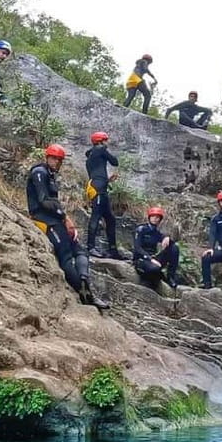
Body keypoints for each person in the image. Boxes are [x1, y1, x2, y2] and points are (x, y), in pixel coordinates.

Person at [27, 144, 110, 310]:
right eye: (54, 158)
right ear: (47, 157)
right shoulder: (39, 172)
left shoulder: (50, 175)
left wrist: (65, 218)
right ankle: (84, 292)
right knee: (65, 256)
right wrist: (64, 217)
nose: (56, 162)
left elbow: (54, 203)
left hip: (55, 219)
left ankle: (84, 280)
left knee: (80, 250)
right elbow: (43, 201)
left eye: (59, 160)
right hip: (44, 220)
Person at [85, 131, 125, 260]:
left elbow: (97, 174)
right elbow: (115, 162)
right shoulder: (100, 149)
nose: (107, 143)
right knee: (96, 216)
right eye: (105, 140)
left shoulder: (91, 154)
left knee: (110, 219)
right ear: (100, 141)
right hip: (98, 189)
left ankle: (112, 250)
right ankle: (90, 247)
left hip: (98, 187)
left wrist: (108, 180)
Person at [133, 206, 180, 290]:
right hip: (142, 259)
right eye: (153, 216)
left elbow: (169, 243)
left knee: (174, 248)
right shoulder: (141, 229)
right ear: (149, 217)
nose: (155, 219)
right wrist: (150, 259)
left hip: (154, 258)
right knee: (155, 268)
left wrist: (167, 238)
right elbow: (137, 248)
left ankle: (170, 277)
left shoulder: (156, 233)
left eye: (157, 217)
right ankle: (156, 278)